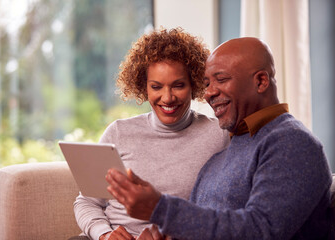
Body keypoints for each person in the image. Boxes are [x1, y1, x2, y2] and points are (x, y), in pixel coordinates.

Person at [106, 37, 333, 239]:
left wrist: (160, 208)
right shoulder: (228, 149)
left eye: (221, 79)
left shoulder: (291, 143)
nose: (209, 93)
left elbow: (262, 230)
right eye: (206, 84)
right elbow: (203, 225)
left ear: (261, 82)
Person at [71, 28, 230, 240]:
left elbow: (226, 210)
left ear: (194, 83)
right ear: (143, 87)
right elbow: (87, 201)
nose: (167, 98)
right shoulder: (118, 133)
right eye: (156, 86)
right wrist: (105, 235)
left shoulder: (219, 136)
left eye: (178, 86)